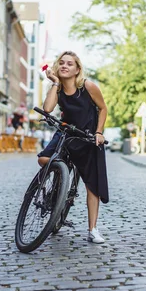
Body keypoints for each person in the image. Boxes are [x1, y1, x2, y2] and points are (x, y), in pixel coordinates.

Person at [38, 50, 109, 244]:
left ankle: (93, 229)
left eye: (70, 64)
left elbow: (103, 108)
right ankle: (59, 188)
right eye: (61, 63)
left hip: (88, 137)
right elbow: (47, 109)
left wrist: (99, 132)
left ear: (77, 69)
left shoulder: (88, 86)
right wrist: (54, 83)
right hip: (66, 133)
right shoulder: (58, 89)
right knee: (43, 159)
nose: (64, 66)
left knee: (92, 186)